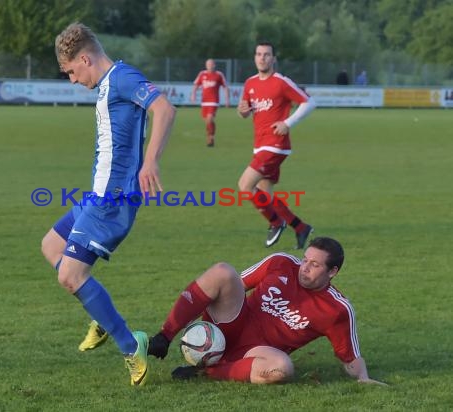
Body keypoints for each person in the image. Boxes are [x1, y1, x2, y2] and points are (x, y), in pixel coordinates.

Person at [41, 22, 176, 386]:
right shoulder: (106, 85)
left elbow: (164, 108)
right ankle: (100, 312)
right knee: (51, 245)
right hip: (96, 195)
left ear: (84, 58)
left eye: (71, 71)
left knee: (71, 276)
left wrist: (151, 161)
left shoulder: (122, 78)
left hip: (112, 201)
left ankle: (132, 346)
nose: (71, 80)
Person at [147, 237, 387, 386]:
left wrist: (363, 378)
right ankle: (164, 336)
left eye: (314, 265)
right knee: (223, 271)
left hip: (257, 352)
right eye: (305, 260)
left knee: (282, 369)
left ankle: (205, 372)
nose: (305, 268)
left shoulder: (337, 310)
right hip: (232, 323)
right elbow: (232, 286)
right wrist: (170, 331)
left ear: (332, 272)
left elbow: (350, 357)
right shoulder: (281, 263)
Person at [237, 42, 316, 249]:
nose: (262, 58)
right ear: (255, 57)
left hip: (275, 145)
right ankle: (300, 227)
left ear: (273, 59)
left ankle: (275, 222)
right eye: (259, 54)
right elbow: (245, 111)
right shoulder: (250, 83)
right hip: (260, 145)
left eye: (267, 55)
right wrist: (243, 111)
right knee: (266, 195)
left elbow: (309, 102)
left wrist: (287, 123)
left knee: (245, 186)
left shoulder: (281, 82)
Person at [191, 59, 230, 147]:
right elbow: (196, 85)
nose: (209, 66)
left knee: (209, 119)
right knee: (207, 121)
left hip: (214, 101)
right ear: (206, 65)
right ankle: (210, 134)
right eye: (208, 64)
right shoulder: (202, 74)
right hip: (204, 102)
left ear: (214, 65)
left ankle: (211, 137)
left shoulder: (218, 75)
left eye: (211, 64)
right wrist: (193, 95)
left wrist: (227, 99)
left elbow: (225, 87)